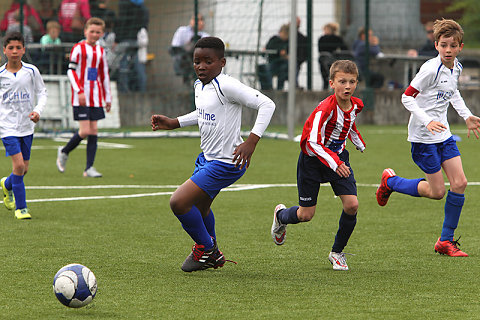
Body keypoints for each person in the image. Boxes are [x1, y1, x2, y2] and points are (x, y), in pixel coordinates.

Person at [151, 37, 275, 272]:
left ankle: (207, 250)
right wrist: (174, 122)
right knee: (200, 208)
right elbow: (203, 113)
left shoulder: (226, 85)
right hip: (208, 159)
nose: (201, 66)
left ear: (222, 63)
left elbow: (267, 104)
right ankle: (211, 250)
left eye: (208, 61)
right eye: (197, 61)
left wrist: (252, 140)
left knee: (178, 202)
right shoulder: (200, 86)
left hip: (227, 162)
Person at [375, 19, 480, 257]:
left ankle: (446, 240)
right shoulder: (430, 69)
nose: (448, 50)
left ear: (460, 47)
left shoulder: (457, 67)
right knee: (437, 192)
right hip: (423, 138)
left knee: (460, 183)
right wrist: (426, 120)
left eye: (453, 46)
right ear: (436, 45)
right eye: (443, 45)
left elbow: (453, 93)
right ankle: (391, 182)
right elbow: (407, 97)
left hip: (443, 135)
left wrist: (467, 116)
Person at [271, 59, 366, 271]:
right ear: (331, 83)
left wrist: (358, 142)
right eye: (342, 81)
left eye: (352, 81)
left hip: (338, 159)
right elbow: (313, 142)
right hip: (313, 162)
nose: (347, 86)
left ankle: (337, 252)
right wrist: (335, 162)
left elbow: (348, 124)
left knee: (352, 205)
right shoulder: (325, 109)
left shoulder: (355, 105)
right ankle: (281, 216)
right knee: (306, 215)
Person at [56, 17, 111, 178]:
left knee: (94, 131)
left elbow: (104, 75)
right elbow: (70, 71)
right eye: (92, 31)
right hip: (81, 96)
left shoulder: (101, 51)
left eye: (98, 32)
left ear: (102, 33)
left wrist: (107, 98)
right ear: (85, 31)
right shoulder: (78, 48)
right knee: (85, 130)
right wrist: (79, 90)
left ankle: (89, 168)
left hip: (96, 96)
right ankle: (64, 151)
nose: (94, 34)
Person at [0, 31, 47, 220]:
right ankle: (21, 208)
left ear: (23, 50)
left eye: (18, 47)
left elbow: (42, 92)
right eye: (10, 48)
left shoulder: (31, 71)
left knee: (23, 169)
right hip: (7, 127)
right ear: (4, 50)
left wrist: (38, 111)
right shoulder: (1, 75)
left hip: (27, 127)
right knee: (18, 165)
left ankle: (6, 184)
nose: (14, 51)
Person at [114, 0, 149, 92]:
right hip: (137, 40)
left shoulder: (124, 4)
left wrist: (117, 39)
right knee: (139, 65)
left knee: (123, 66)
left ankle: (124, 91)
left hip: (124, 39)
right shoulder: (143, 8)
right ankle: (142, 91)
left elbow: (122, 22)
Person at [170, 14, 210, 85]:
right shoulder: (182, 31)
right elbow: (174, 47)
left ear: (203, 23)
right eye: (195, 19)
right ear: (190, 21)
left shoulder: (205, 36)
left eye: (200, 20)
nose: (197, 22)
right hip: (183, 59)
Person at [318, 22, 348, 90]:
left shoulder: (322, 38)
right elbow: (344, 49)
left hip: (324, 58)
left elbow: (320, 50)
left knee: (324, 73)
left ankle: (325, 86)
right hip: (334, 58)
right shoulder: (337, 38)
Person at [265, 24, 289, 90]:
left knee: (283, 69)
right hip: (273, 61)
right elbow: (267, 48)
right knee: (267, 69)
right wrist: (279, 52)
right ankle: (269, 88)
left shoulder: (288, 42)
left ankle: (280, 88)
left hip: (283, 63)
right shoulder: (274, 39)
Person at [295, 17, 308, 89]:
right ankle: (295, 85)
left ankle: (295, 85)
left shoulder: (301, 37)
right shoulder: (286, 34)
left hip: (297, 59)